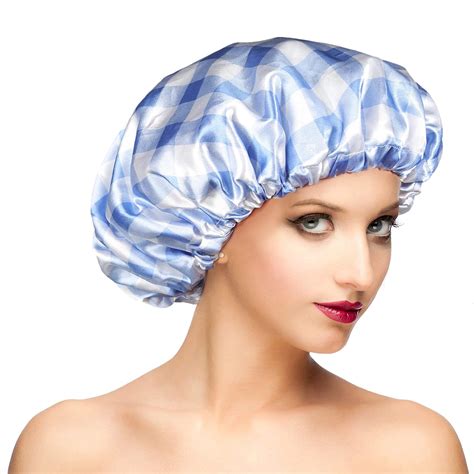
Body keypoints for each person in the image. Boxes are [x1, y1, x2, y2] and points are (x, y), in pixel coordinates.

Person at [9, 37, 468, 472]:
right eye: (313, 222)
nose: (361, 273)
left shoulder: (409, 450)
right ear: (210, 222)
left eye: (378, 226)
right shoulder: (70, 448)